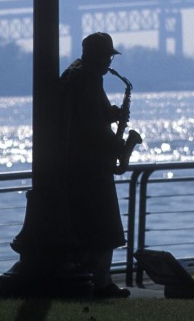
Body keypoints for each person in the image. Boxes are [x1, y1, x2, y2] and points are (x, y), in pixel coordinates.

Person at [58, 32, 138, 298]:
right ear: (96, 56)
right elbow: (91, 127)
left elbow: (88, 116)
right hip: (92, 168)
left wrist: (111, 114)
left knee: (89, 228)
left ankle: (93, 279)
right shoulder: (88, 80)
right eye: (106, 57)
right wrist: (119, 147)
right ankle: (100, 283)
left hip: (81, 165)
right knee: (106, 228)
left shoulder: (76, 75)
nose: (109, 64)